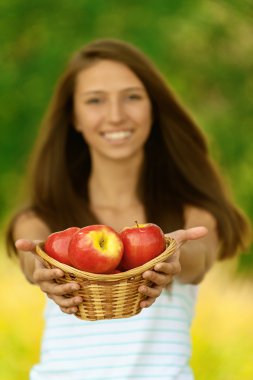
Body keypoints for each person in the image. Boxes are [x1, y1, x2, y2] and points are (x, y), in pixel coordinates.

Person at [6, 38, 251, 380]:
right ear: (74, 117)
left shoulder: (194, 214)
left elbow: (197, 257)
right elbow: (33, 255)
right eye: (95, 101)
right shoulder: (42, 218)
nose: (116, 115)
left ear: (153, 108)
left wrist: (170, 257)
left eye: (132, 97)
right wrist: (43, 271)